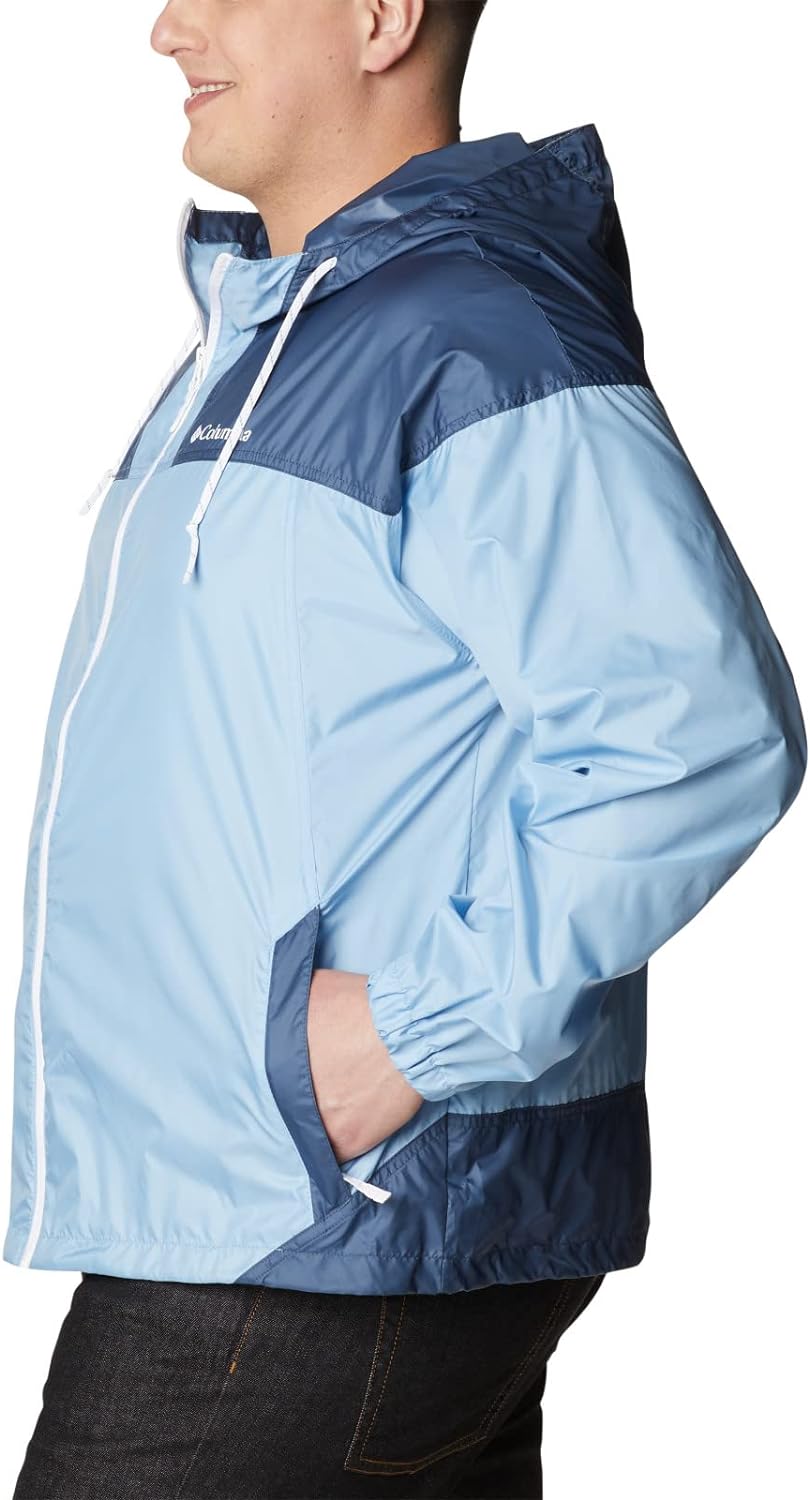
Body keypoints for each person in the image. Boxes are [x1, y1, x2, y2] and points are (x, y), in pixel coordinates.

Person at [6, 1, 806, 1495]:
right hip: (280, 1209)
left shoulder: (470, 335)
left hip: (319, 1227)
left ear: (379, 17)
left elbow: (691, 732)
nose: (168, 28)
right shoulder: (280, 339)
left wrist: (417, 1034)